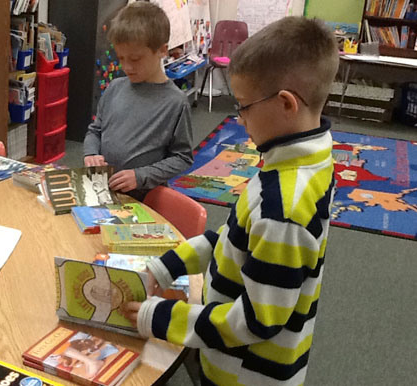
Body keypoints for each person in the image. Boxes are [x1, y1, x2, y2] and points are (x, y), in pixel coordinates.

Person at [124, 16, 340, 386]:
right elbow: (232, 238)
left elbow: (257, 321)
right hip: (231, 355)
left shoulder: (282, 208)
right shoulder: (300, 160)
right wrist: (163, 269)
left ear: (286, 104)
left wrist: (159, 317)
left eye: (243, 105)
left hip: (245, 374)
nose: (239, 119)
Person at [83, 2, 193, 201]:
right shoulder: (115, 88)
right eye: (121, 58)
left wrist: (140, 176)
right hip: (103, 192)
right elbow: (95, 131)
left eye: (134, 59)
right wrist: (90, 153)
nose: (126, 67)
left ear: (162, 50)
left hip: (144, 199)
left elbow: (182, 158)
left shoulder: (176, 102)